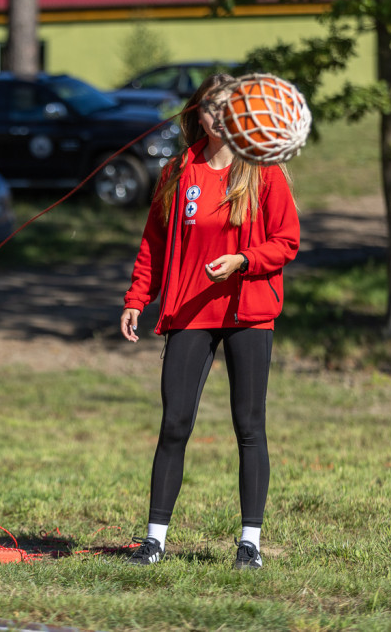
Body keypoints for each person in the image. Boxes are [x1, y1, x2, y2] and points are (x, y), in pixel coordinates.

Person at [119, 73, 300, 570]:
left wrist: (244, 261)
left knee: (249, 425)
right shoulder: (179, 170)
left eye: (229, 108)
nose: (219, 116)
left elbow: (287, 241)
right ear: (197, 113)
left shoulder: (263, 170)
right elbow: (154, 240)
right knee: (174, 422)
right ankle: (154, 540)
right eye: (211, 108)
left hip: (248, 312)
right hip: (189, 310)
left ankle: (250, 544)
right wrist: (138, 296)